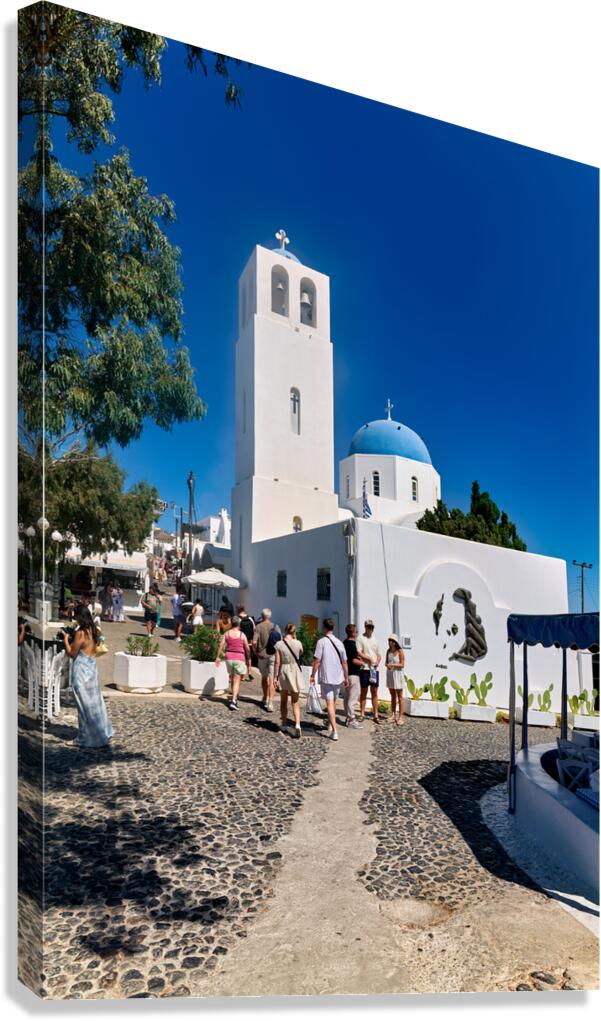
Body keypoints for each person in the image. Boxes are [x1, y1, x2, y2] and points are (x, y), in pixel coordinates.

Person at [62, 606, 113, 748]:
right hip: (92, 668)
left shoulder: (80, 633)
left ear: (80, 617)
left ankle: (83, 738)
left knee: (83, 706)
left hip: (81, 670)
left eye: (76, 616)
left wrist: (66, 640)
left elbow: (72, 653)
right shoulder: (94, 630)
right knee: (96, 703)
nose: (74, 619)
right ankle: (102, 731)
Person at [310, 618, 349, 741]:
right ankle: (331, 727)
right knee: (334, 702)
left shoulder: (321, 642)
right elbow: (344, 662)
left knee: (330, 704)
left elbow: (317, 660)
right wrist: (346, 677)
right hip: (338, 677)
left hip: (327, 676)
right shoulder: (339, 643)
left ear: (324, 628)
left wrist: (312, 674)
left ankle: (335, 731)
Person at [274, 623, 304, 738]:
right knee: (295, 701)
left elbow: (277, 662)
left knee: (283, 700)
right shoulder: (298, 643)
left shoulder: (279, 644)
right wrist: (295, 639)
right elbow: (300, 653)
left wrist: (276, 677)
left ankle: (285, 724)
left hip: (284, 671)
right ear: (294, 632)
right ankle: (297, 724)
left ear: (285, 630)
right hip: (295, 670)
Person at [215, 615, 251, 711]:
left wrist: (218, 657)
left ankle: (233, 697)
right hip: (239, 658)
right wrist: (249, 657)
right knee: (237, 680)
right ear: (239, 624)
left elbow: (221, 645)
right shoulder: (242, 635)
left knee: (232, 678)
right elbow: (247, 648)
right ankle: (234, 701)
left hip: (229, 658)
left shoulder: (227, 634)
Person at [254, 609, 280, 712]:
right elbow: (280, 642)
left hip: (262, 656)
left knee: (264, 678)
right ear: (270, 616)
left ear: (262, 616)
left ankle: (265, 698)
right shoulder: (276, 626)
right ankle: (270, 702)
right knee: (272, 679)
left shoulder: (258, 627)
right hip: (273, 655)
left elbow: (254, 642)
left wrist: (256, 653)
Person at [357, 619, 382, 724]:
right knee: (364, 691)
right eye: (368, 627)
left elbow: (379, 654)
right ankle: (362, 713)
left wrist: (377, 661)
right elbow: (359, 652)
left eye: (371, 627)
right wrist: (369, 659)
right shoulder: (360, 638)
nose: (370, 629)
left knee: (375, 692)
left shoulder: (375, 640)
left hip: (374, 669)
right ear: (365, 627)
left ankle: (376, 714)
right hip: (365, 669)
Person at [342, 624, 363, 729]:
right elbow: (353, 660)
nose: (357, 633)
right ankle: (351, 719)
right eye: (356, 631)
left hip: (346, 674)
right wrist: (362, 663)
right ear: (353, 633)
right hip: (353, 673)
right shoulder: (351, 644)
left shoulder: (344, 643)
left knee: (347, 697)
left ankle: (347, 717)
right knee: (353, 698)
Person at [386, 634, 405, 725]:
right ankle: (393, 715)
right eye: (389, 640)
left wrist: (393, 665)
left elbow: (402, 664)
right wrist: (388, 666)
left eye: (391, 640)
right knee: (392, 696)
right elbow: (386, 662)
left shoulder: (400, 651)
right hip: (390, 675)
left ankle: (401, 717)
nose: (389, 642)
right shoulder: (388, 651)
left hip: (398, 675)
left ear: (394, 642)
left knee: (400, 697)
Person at [237, 605, 256, 679]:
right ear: (244, 609)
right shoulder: (250, 618)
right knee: (248, 657)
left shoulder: (238, 619)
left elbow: (237, 630)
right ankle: (249, 672)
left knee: (242, 657)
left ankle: (242, 675)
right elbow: (254, 629)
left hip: (241, 641)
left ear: (237, 610)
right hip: (249, 641)